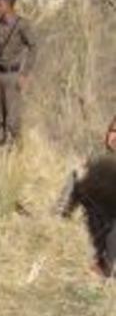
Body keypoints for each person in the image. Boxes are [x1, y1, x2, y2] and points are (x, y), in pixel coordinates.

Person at [58, 116, 116, 276]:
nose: (114, 137)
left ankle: (107, 265)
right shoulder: (96, 158)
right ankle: (58, 219)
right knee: (77, 174)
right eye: (112, 131)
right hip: (96, 221)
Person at [0, 0, 36, 146]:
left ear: (7, 4)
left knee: (13, 117)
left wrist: (25, 73)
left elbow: (33, 47)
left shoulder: (22, 25)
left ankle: (14, 152)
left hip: (13, 75)